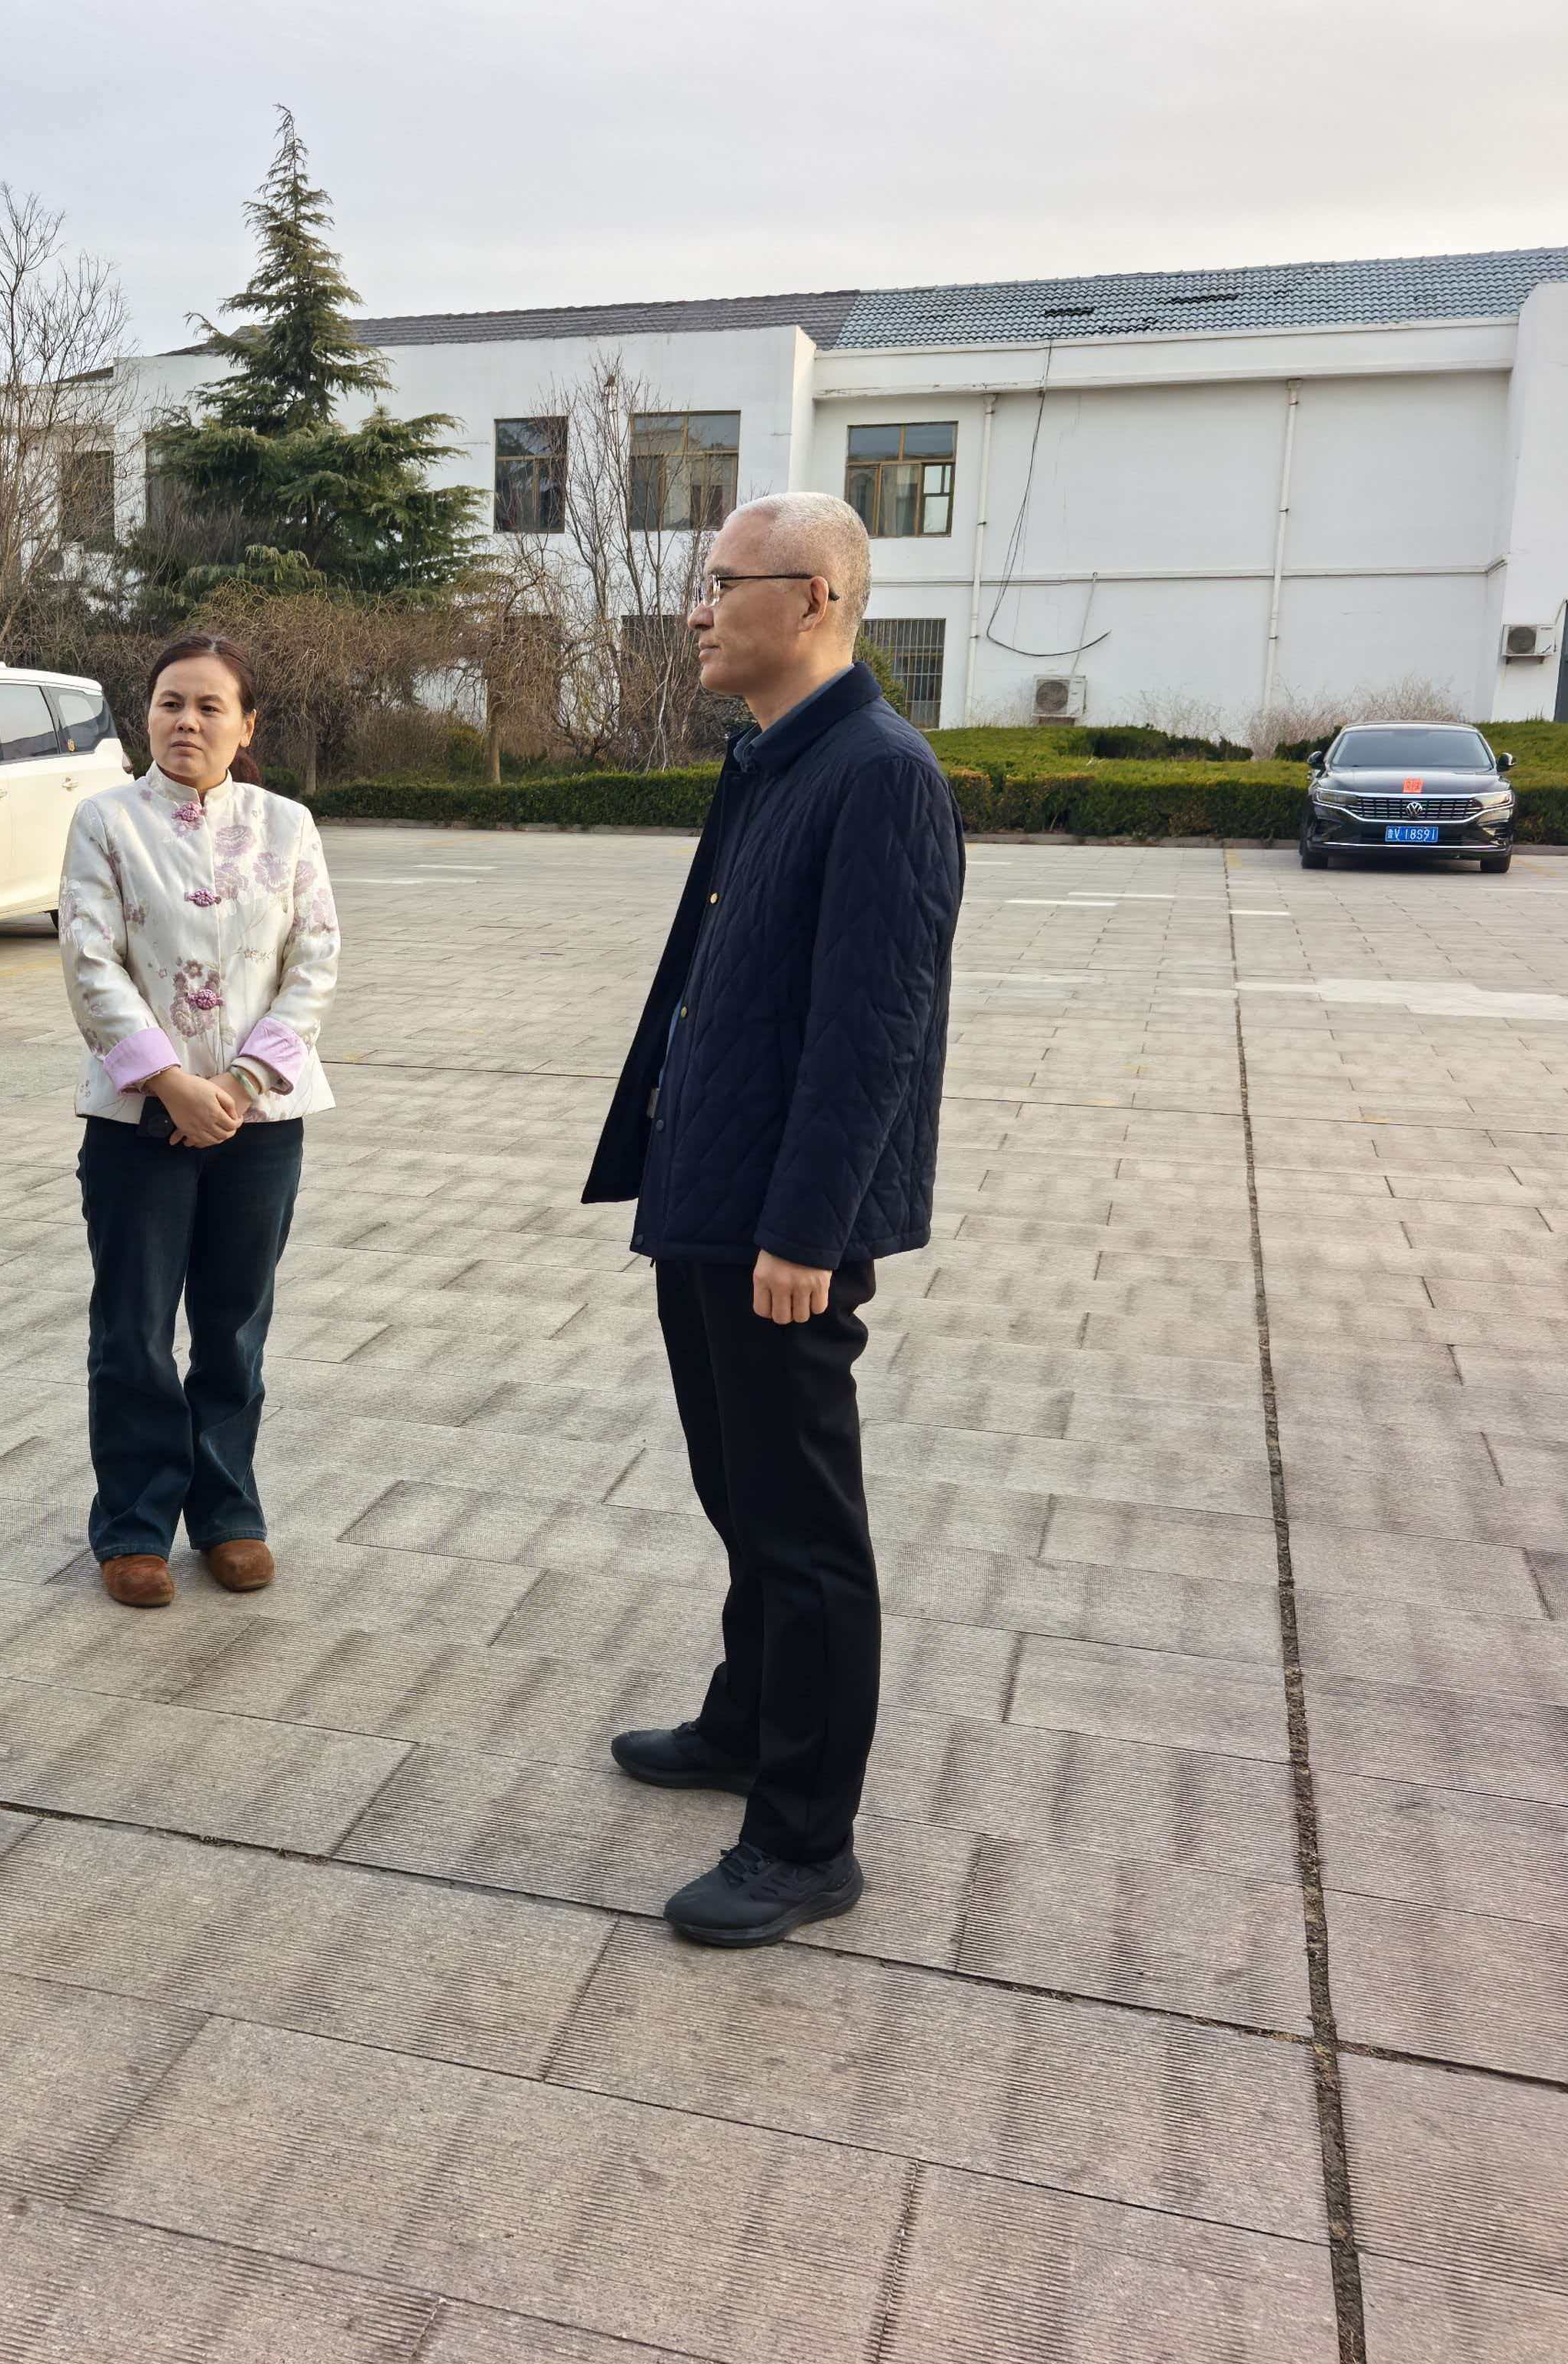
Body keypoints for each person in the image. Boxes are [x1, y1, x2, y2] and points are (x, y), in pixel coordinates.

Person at [585, 491, 963, 1949]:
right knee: (739, 1493)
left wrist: (806, 1232)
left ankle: (806, 1840)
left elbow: (873, 1032)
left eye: (722, 581)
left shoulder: (881, 776)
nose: (697, 607)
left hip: (779, 1228)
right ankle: (747, 1721)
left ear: (813, 598)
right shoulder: (770, 758)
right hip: (709, 1192)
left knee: (803, 1530)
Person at [58, 635, 341, 1607]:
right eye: (169, 703)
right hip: (137, 1118)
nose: (186, 721)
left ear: (246, 725)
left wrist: (243, 1084)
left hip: (261, 1123)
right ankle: (133, 1526)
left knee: (233, 1326)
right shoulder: (105, 821)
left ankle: (228, 1513)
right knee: (133, 1328)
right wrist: (172, 1083)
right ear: (145, 715)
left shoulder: (286, 826)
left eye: (209, 706)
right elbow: (89, 959)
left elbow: (316, 959)